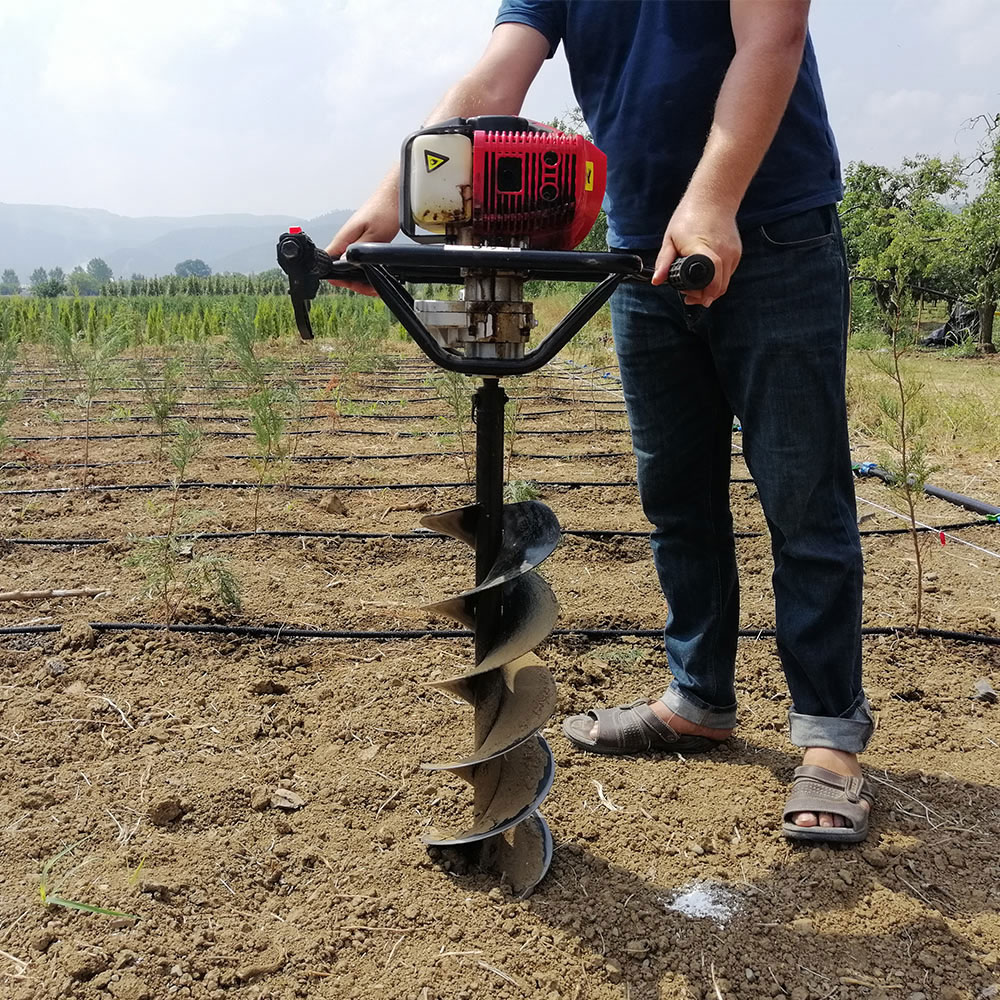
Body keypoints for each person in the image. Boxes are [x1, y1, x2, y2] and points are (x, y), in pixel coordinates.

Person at [326, 0, 875, 842]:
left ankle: (830, 739)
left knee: (803, 500)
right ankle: (698, 699)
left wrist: (713, 199)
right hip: (643, 254)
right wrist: (400, 193)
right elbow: (493, 79)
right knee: (677, 497)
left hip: (774, 237)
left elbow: (773, 40)